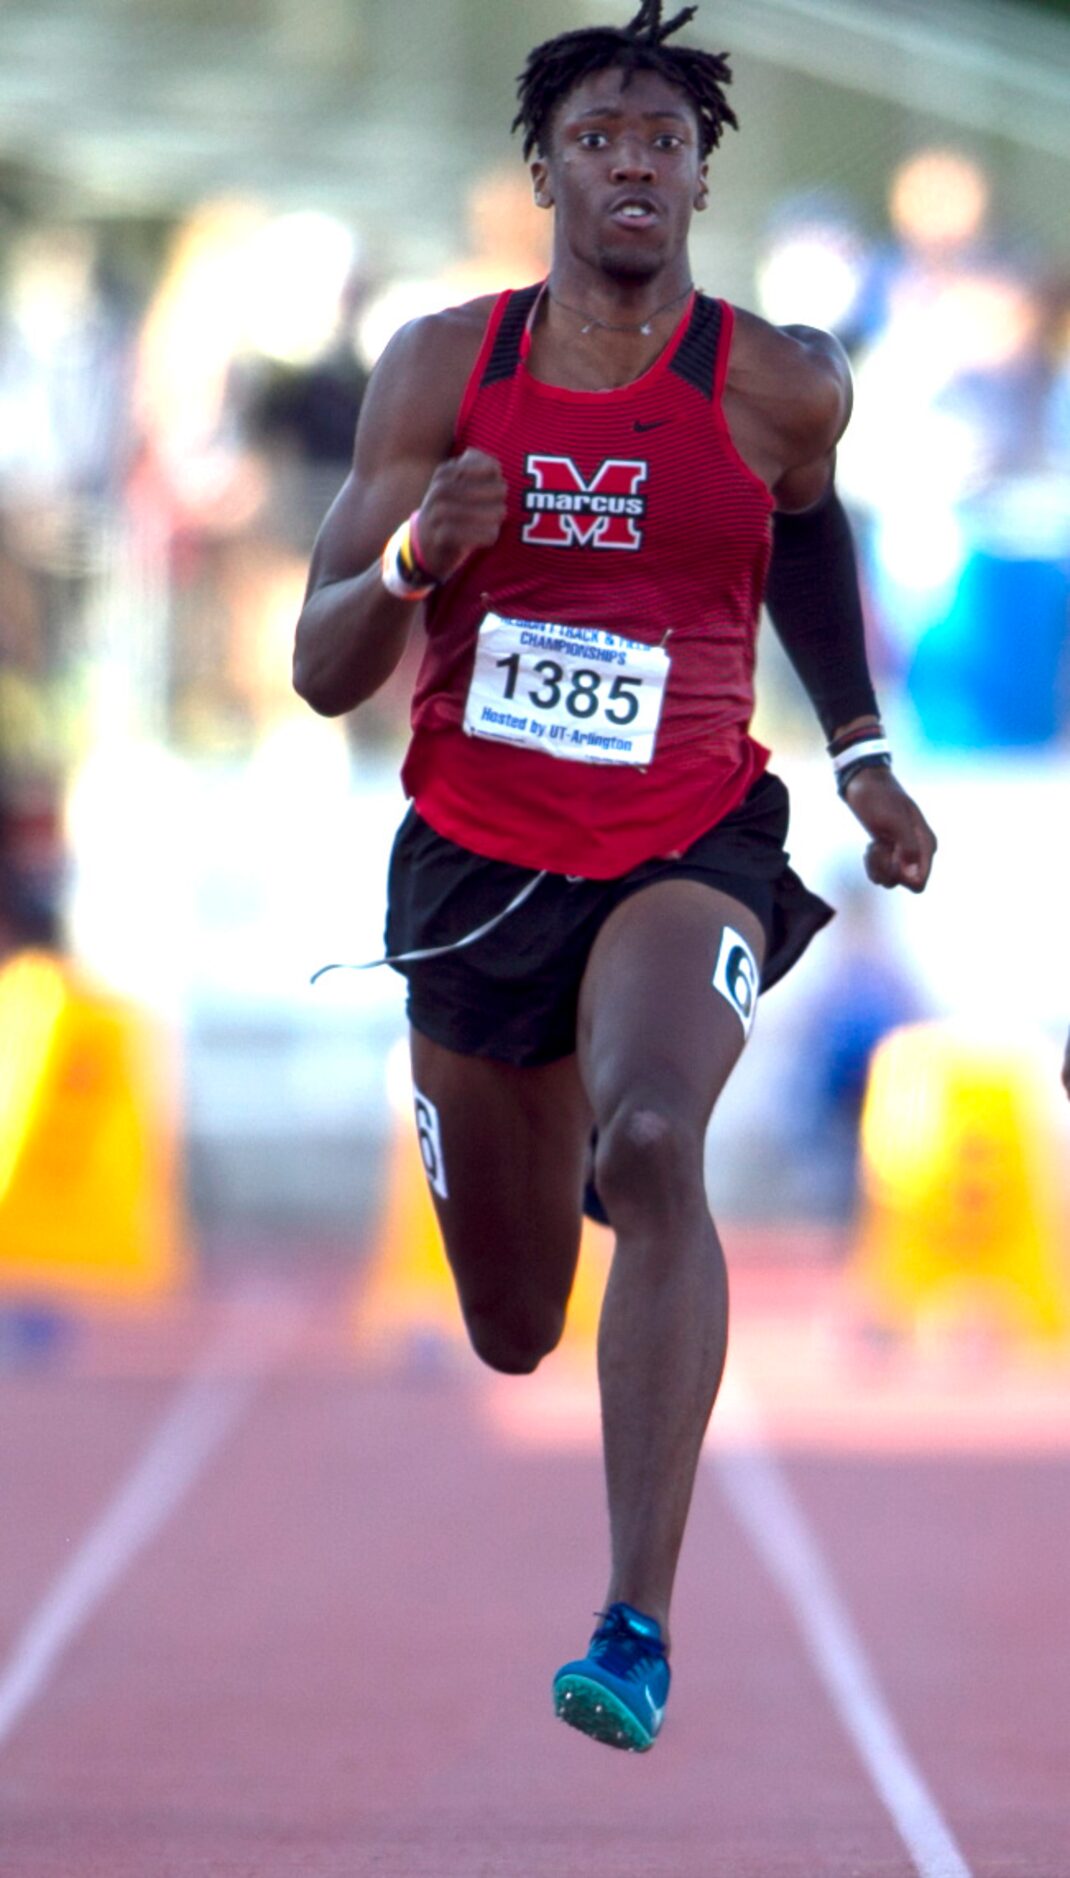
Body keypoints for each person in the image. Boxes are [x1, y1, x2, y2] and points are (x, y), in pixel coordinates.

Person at [293, 0, 936, 1754]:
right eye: (601, 136)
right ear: (547, 173)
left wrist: (862, 755)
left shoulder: (778, 379)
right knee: (509, 1328)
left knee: (655, 1144)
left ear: (702, 176)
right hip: (478, 872)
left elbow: (809, 536)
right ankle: (562, 1106)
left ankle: (634, 1620)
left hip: (688, 840)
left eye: (664, 137)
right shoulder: (442, 370)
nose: (634, 161)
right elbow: (319, 663)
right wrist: (427, 550)